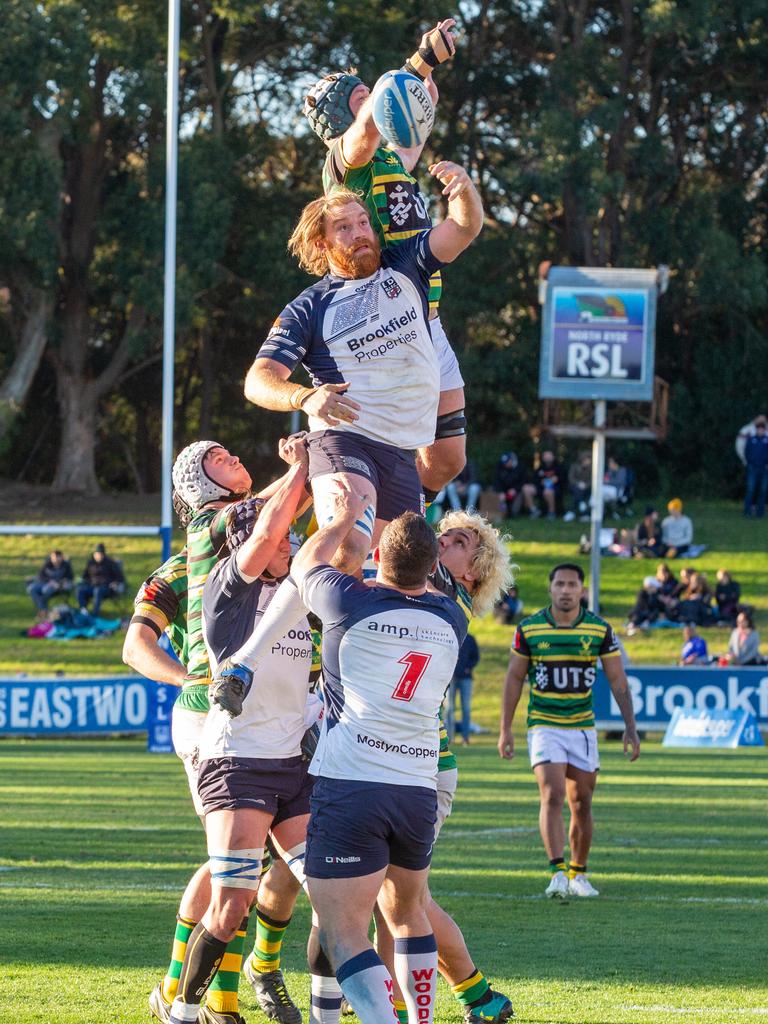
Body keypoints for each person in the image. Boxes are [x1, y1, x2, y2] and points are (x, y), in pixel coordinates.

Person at [129, 438, 310, 1024]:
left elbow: (279, 515)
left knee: (244, 865)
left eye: (232, 452)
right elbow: (135, 646)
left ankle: (197, 992)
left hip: (269, 710)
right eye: (217, 457)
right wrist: (193, 681)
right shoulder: (186, 561)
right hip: (211, 711)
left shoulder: (267, 545)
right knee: (237, 865)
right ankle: (198, 996)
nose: (232, 457)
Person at [290, 495, 468, 1024]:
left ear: (377, 561)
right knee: (409, 912)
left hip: (352, 783)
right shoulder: (452, 617)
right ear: (435, 565)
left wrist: (345, 519)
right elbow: (419, 575)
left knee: (343, 932)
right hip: (417, 786)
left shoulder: (350, 601)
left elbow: (305, 566)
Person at [306, 20, 467, 501]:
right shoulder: (344, 160)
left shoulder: (390, 161)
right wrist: (420, 61)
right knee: (391, 451)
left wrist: (422, 90)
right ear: (342, 116)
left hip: (427, 316)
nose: (374, 98)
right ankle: (379, 534)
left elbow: (403, 118)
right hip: (384, 321)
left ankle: (403, 529)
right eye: (362, 96)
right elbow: (375, 118)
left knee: (448, 459)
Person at [498, 563, 640, 898]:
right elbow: (515, 678)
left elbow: (618, 681)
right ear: (550, 589)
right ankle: (557, 871)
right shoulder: (530, 628)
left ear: (581, 590)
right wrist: (505, 728)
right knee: (552, 794)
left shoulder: (599, 629)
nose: (565, 590)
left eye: (571, 584)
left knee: (583, 802)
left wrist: (630, 727)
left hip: (582, 727)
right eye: (559, 584)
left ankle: (579, 873)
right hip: (544, 725)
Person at [76, 543, 126, 616]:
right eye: (96, 554)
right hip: (92, 586)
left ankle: (95, 615)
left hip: (106, 588)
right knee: (80, 590)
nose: (98, 556)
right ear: (93, 554)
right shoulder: (90, 563)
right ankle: (83, 611)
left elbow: (120, 577)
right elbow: (85, 576)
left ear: (103, 554)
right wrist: (86, 582)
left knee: (98, 591)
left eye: (100, 554)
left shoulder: (110, 563)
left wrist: (115, 583)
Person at [451, 632, 480, 745]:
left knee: (466, 709)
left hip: (466, 678)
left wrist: (468, 667)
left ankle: (465, 738)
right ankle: (450, 738)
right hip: (451, 678)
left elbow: (475, 657)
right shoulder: (451, 636)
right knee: (449, 709)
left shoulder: (470, 639)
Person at [26, 550, 73, 615]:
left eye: (57, 557)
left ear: (61, 557)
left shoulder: (65, 565)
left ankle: (43, 610)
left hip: (58, 586)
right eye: (53, 557)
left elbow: (70, 577)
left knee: (46, 590)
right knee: (31, 588)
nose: (55, 559)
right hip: (45, 583)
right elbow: (40, 576)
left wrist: (59, 583)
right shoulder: (47, 564)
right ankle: (43, 609)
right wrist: (50, 581)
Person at [493, 452, 537, 519]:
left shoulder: (521, 467)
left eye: (507, 462)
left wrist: (515, 489)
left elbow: (525, 482)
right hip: (504, 492)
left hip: (518, 492)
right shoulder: (500, 466)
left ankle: (526, 511)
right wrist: (501, 492)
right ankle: (501, 514)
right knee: (499, 499)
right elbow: (497, 481)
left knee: (514, 511)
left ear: (512, 460)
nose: (505, 464)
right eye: (504, 462)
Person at [743, 417, 768, 518]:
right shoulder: (751, 439)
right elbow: (746, 452)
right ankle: (747, 512)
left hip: (765, 469)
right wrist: (750, 463)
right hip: (753, 468)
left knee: (763, 490)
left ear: (765, 430)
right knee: (750, 489)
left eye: (762, 429)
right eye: (759, 429)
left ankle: (760, 513)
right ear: (756, 430)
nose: (760, 430)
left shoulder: (767, 441)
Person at [534, 450, 564, 520]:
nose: (547, 458)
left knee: (548, 491)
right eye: (545, 456)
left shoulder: (559, 467)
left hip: (556, 488)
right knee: (527, 489)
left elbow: (563, 479)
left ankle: (551, 512)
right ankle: (534, 510)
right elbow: (535, 480)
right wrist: (541, 482)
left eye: (549, 456)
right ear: (543, 458)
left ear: (553, 457)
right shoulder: (540, 468)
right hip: (541, 488)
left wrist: (557, 479)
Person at [564, 452, 592, 521]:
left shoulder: (592, 468)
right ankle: (583, 510)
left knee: (578, 493)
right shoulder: (574, 466)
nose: (588, 461)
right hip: (575, 486)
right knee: (577, 490)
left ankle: (572, 511)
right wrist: (578, 483)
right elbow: (571, 478)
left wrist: (586, 485)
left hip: (588, 488)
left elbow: (593, 479)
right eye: (586, 459)